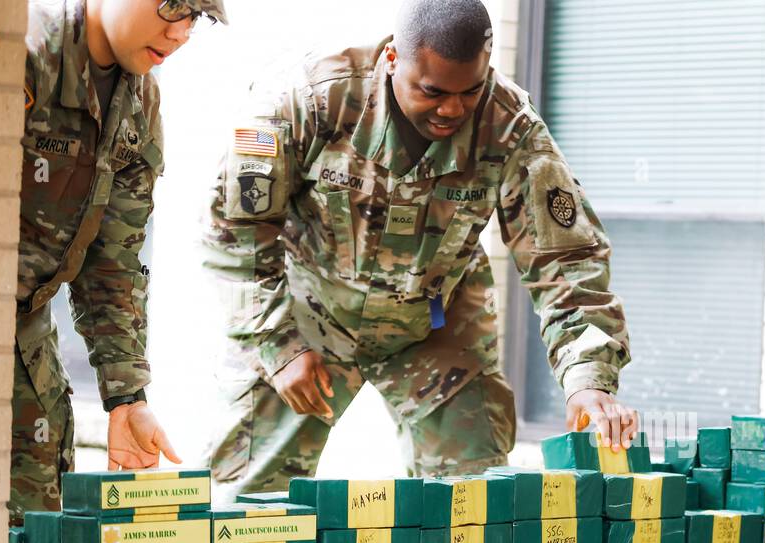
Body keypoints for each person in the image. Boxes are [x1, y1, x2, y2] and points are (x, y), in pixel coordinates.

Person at [203, 0, 636, 497]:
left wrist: (588, 378)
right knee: (243, 506)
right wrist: (275, 346)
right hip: (305, 310)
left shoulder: (510, 125)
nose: (452, 109)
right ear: (392, 59)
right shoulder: (306, 97)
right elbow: (233, 230)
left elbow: (566, 259)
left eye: (469, 91)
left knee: (476, 502)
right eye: (432, 92)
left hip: (436, 315)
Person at [14, 0, 226, 523]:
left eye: (196, 18)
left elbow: (112, 259)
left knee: (27, 542)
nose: (181, 32)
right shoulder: (22, 52)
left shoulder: (138, 101)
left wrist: (126, 396)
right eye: (172, 5)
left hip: (23, 340)